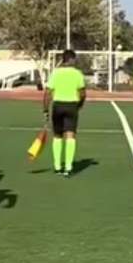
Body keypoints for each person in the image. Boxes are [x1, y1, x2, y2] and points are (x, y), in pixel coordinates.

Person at [43, 49, 86, 177]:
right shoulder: (77, 74)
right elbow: (83, 93)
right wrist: (80, 104)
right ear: (71, 59)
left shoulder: (55, 73)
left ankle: (57, 166)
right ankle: (68, 167)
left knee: (57, 136)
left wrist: (45, 109)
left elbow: (47, 93)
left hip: (58, 105)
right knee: (70, 135)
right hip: (72, 105)